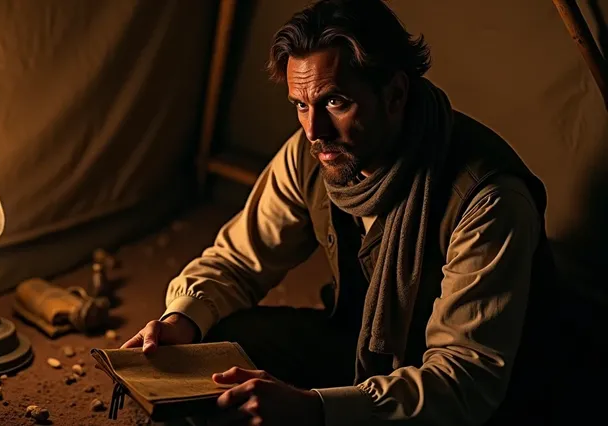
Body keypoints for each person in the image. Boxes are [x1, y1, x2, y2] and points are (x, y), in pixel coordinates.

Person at [123, 0, 557, 424]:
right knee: (213, 343)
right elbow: (239, 260)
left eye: (335, 102)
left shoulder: (487, 198)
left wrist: (314, 407)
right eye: (300, 105)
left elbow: (465, 379)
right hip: (360, 344)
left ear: (395, 94)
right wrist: (180, 320)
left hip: (474, 397)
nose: (315, 130)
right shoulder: (313, 154)